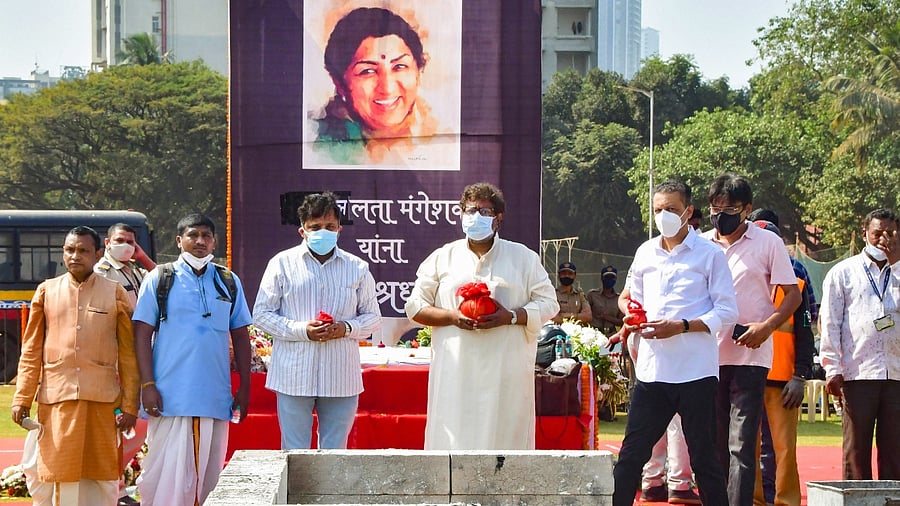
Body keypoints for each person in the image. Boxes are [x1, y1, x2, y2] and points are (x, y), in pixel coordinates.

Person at [405, 182, 559, 450]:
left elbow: (549, 304)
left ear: (499, 218)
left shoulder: (523, 257)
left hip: (506, 373)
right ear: (461, 214)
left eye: (485, 212)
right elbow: (415, 306)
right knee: (452, 444)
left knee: (506, 442)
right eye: (470, 210)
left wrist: (511, 316)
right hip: (456, 372)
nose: (476, 217)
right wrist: (452, 317)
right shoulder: (443, 257)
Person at [612, 179, 737, 506]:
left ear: (689, 212)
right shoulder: (645, 252)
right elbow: (629, 299)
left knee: (705, 460)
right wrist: (630, 315)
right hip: (653, 372)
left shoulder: (710, 255)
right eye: (658, 210)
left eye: (671, 209)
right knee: (629, 458)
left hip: (696, 371)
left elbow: (727, 312)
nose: (663, 216)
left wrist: (681, 326)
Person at [11, 226, 139, 505]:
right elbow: (31, 350)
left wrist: (130, 404)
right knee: (56, 473)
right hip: (57, 401)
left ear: (97, 254)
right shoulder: (47, 291)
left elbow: (128, 355)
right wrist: (21, 398)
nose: (75, 256)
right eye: (70, 250)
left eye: (83, 250)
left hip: (102, 401)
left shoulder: (114, 293)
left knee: (102, 476)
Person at [131, 213, 253, 506]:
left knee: (207, 478)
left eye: (206, 236)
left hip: (213, 395)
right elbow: (141, 334)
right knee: (164, 478)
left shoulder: (228, 281)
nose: (200, 241)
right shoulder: (160, 278)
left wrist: (245, 386)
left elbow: (240, 335)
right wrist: (147, 384)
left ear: (214, 242)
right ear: (179, 240)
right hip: (169, 396)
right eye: (193, 235)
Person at [701, 174, 801, 506]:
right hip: (706, 356)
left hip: (751, 356)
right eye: (715, 208)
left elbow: (792, 296)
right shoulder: (700, 243)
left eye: (729, 209)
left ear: (747, 209)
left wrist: (767, 327)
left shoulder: (767, 243)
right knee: (711, 443)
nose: (720, 215)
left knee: (741, 443)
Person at [253, 192, 382, 449]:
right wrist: (303, 330)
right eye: (315, 227)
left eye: (329, 227)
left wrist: (345, 328)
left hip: (340, 375)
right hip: (293, 373)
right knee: (294, 451)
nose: (323, 232)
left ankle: (330, 492)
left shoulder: (357, 267)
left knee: (335, 453)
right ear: (302, 231)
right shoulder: (281, 264)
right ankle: (296, 492)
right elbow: (261, 315)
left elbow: (373, 318)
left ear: (339, 229)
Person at [820, 208, 900, 480]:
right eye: (878, 233)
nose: (883, 240)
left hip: (896, 372)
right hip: (858, 372)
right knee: (856, 449)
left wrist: (896, 263)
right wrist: (832, 368)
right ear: (865, 232)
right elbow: (830, 322)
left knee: (895, 450)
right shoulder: (843, 273)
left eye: (890, 234)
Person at [312, 7, 441, 165]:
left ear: (418, 71)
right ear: (339, 83)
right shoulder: (322, 147)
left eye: (399, 67)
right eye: (368, 71)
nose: (387, 88)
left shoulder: (439, 135)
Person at [751, 220, 815, 506]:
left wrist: (800, 375)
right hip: (746, 374)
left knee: (785, 448)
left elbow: (804, 331)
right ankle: (750, 500)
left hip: (783, 379)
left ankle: (787, 502)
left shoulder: (797, 278)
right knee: (743, 447)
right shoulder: (742, 274)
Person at [94, 223, 157, 505]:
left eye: (131, 242)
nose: (126, 245)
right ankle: (115, 488)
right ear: (108, 242)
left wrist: (142, 257)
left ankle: (114, 483)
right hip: (117, 359)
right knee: (122, 422)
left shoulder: (136, 270)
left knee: (138, 423)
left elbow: (166, 281)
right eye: (121, 240)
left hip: (138, 356)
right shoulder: (101, 273)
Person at [748, 208, 819, 322]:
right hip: (786, 339)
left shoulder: (741, 266)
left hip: (753, 337)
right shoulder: (797, 268)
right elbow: (812, 313)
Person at [586, 265, 624, 336]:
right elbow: (586, 315)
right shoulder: (592, 295)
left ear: (615, 279)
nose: (609, 279)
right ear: (601, 278)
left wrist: (608, 318)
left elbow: (621, 321)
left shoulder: (619, 298)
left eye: (612, 277)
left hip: (612, 334)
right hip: (594, 334)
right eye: (607, 277)